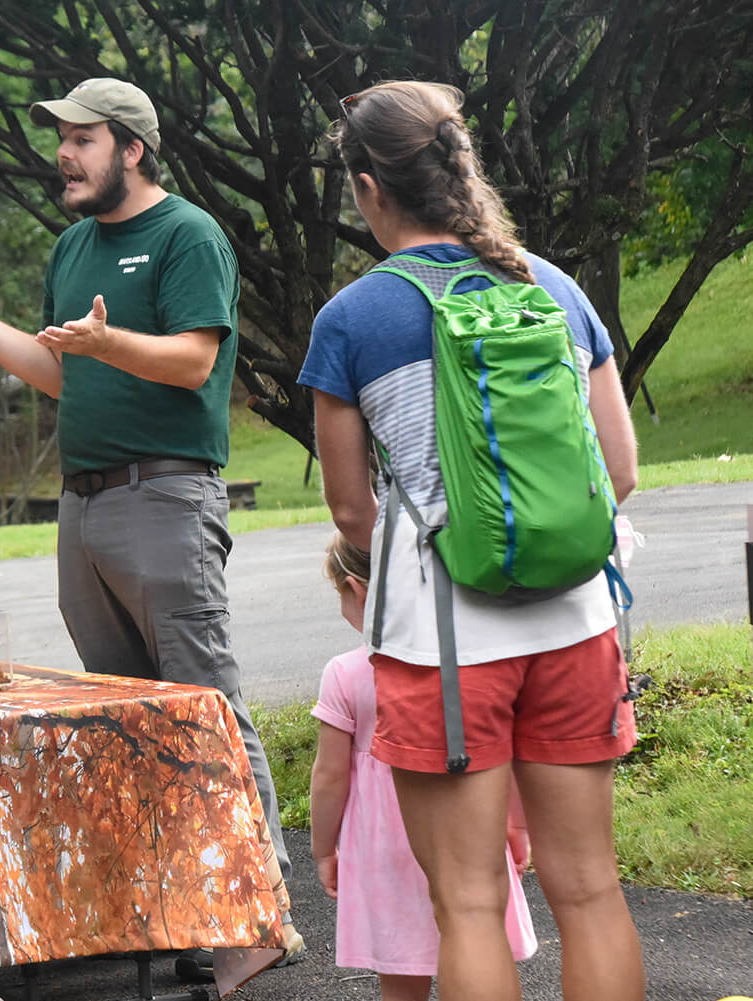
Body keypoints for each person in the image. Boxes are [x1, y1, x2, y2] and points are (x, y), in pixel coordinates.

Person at [0, 77, 299, 950]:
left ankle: (260, 906)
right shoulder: (72, 247)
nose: (63, 155)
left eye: (82, 139)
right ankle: (176, 903)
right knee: (126, 711)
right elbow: (60, 370)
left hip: (167, 496)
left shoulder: (188, 234)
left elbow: (191, 361)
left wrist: (112, 342)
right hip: (85, 506)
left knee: (202, 699)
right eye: (60, 139)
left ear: (132, 149)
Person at [300, 80, 643, 1001]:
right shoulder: (553, 285)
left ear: (371, 188)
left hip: (441, 646)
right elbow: (620, 472)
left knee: (468, 901)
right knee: (591, 889)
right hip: (577, 620)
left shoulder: (352, 318)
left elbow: (350, 515)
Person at [309, 534, 536, 1001]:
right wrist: (516, 826)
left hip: (383, 853)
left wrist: (323, 848)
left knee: (400, 984)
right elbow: (502, 753)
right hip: (467, 829)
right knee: (476, 942)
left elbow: (330, 776)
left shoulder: (345, 674)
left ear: (360, 591)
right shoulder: (469, 667)